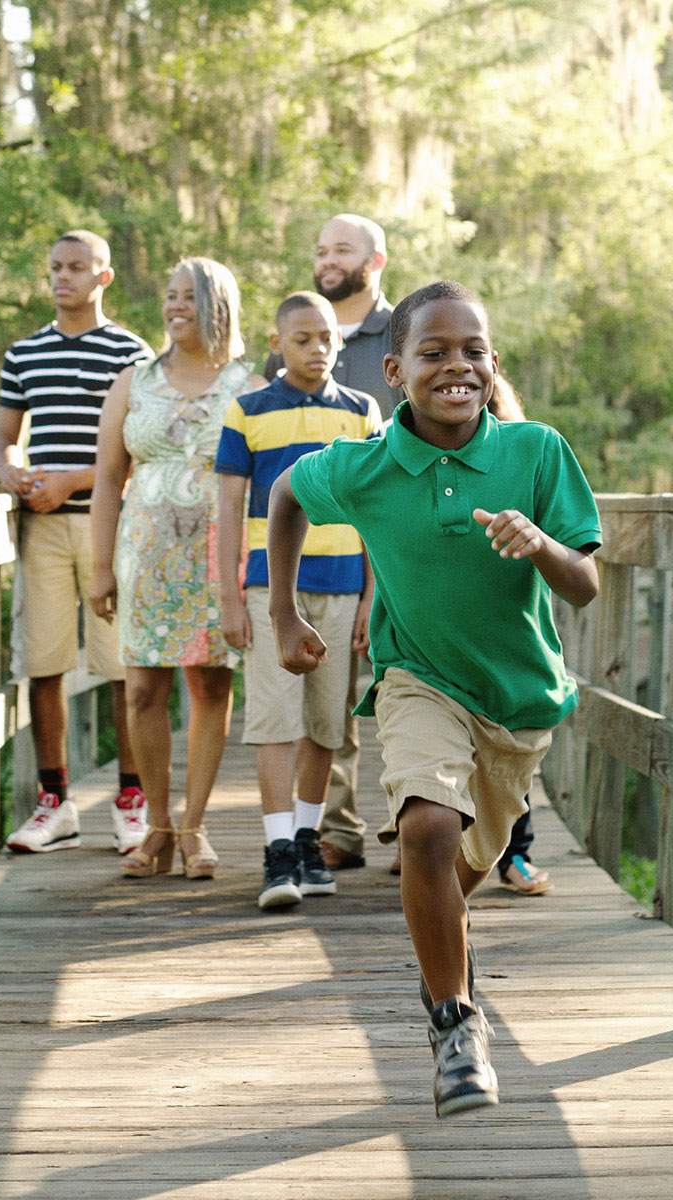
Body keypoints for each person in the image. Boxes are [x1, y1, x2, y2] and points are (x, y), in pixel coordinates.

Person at [265, 281, 601, 1116]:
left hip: (518, 702)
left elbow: (586, 584)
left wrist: (541, 542)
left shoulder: (535, 453)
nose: (457, 366)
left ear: (493, 365)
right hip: (415, 678)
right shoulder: (366, 465)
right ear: (393, 369)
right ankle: (455, 1023)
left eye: (473, 351)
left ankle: (445, 964)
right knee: (424, 828)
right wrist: (283, 609)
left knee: (453, 871)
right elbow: (283, 497)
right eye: (434, 352)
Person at [89, 256, 262, 878]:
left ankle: (193, 826)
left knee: (211, 686)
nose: (174, 306)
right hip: (145, 553)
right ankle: (156, 826)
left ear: (220, 304)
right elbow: (109, 480)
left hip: (218, 552)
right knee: (142, 689)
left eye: (189, 295)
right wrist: (100, 566)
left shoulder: (249, 384)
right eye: (168, 296)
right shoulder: (133, 380)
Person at [216, 292, 381, 909]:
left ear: (341, 343)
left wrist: (372, 595)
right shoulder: (248, 411)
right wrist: (231, 595)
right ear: (277, 342)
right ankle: (277, 849)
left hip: (343, 585)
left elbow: (375, 509)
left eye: (328, 338)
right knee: (274, 716)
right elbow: (230, 505)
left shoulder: (364, 412)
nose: (317, 349)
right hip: (271, 588)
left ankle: (309, 840)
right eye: (303, 338)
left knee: (326, 721)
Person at [0, 229, 150, 855]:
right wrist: (11, 472)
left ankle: (132, 799)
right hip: (43, 528)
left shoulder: (131, 353)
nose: (64, 278)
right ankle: (54, 802)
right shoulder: (23, 354)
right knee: (43, 661)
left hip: (111, 524)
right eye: (56, 267)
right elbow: (5, 437)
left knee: (122, 664)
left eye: (78, 267)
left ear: (103, 277)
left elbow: (140, 451)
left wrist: (72, 482)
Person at [265, 214, 398, 874]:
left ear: (375, 258)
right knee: (332, 696)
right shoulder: (293, 336)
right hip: (316, 549)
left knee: (404, 683)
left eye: (340, 248)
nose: (326, 258)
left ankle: (417, 825)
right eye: (320, 249)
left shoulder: (407, 332)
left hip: (399, 537)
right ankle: (335, 829)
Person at [484, 376, 553, 897]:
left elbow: (575, 556)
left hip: (511, 636)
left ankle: (515, 854)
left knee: (512, 761)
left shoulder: (526, 452)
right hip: (441, 638)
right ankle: (434, 850)